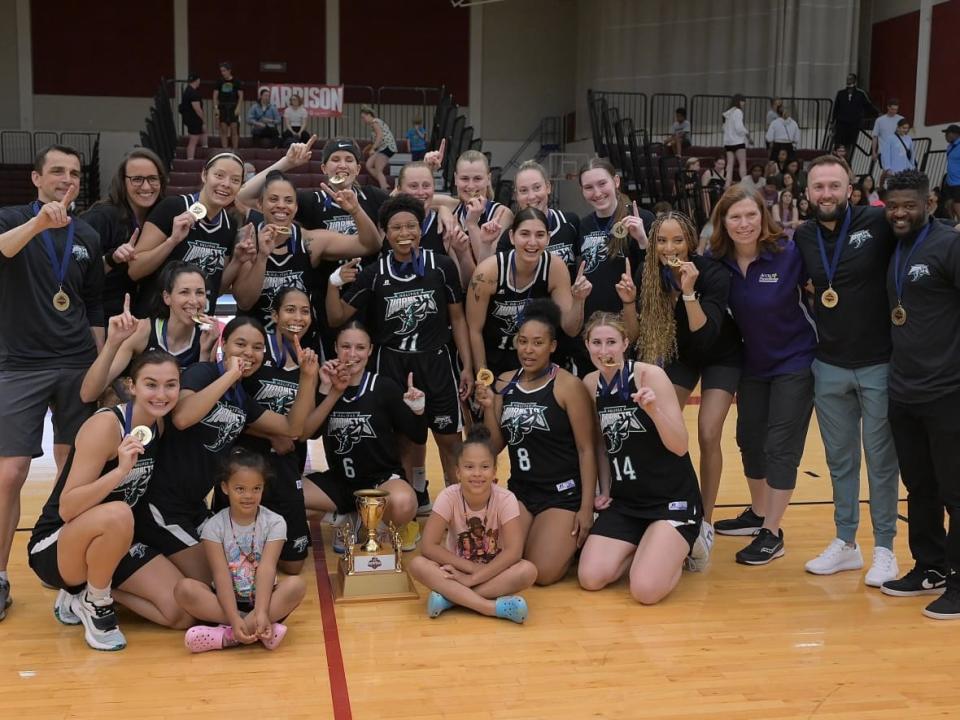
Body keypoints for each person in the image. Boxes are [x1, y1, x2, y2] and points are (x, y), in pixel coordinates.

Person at [28, 350, 191, 650]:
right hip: (57, 543)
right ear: (132, 386)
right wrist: (119, 471)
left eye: (171, 385)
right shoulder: (105, 426)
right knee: (117, 513)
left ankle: (81, 592)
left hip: (116, 539)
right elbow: (68, 507)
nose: (161, 394)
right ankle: (96, 602)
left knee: (179, 613)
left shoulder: (158, 424)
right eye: (151, 384)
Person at [133, 317, 318, 581]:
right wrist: (230, 373)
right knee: (216, 578)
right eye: (240, 344)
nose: (248, 353)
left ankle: (161, 556)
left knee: (240, 571)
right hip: (162, 504)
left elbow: (291, 427)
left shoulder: (241, 397)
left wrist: (308, 378)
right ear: (224, 344)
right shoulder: (203, 373)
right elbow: (182, 418)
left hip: (195, 506)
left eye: (256, 347)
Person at [0, 144, 103, 618]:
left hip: (77, 362)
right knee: (10, 473)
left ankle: (62, 566)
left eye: (75, 174)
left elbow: (93, 303)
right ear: (37, 179)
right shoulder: (13, 218)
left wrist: (100, 364)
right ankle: (0, 577)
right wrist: (42, 222)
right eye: (57, 171)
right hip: (19, 364)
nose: (67, 179)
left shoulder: (86, 233)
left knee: (72, 473)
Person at [326, 194, 473, 521]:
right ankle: (407, 512)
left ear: (421, 229)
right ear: (385, 233)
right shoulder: (374, 273)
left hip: (436, 362)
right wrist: (333, 284)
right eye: (396, 227)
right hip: (393, 365)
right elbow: (337, 318)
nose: (404, 232)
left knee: (450, 442)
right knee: (404, 443)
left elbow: (459, 319)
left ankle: (459, 512)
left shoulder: (442, 266)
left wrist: (468, 366)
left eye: (411, 225)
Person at [794, 155, 900, 585]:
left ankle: (886, 550)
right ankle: (846, 544)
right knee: (840, 462)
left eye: (834, 186)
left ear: (850, 189)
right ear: (807, 193)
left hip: (879, 364)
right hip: (829, 365)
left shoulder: (878, 224)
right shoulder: (802, 237)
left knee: (880, 462)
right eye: (818, 187)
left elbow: (926, 237)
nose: (826, 194)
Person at [710, 185, 816, 565]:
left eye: (750, 215)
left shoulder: (788, 253)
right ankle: (758, 512)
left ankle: (772, 532)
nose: (743, 223)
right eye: (735, 216)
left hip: (795, 361)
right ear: (723, 222)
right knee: (749, 439)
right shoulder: (717, 259)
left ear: (763, 216)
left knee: (780, 446)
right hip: (752, 364)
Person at [634, 211, 741, 567]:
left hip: (720, 355)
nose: (669, 247)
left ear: (691, 242)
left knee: (709, 433)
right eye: (662, 240)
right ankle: (669, 507)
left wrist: (689, 292)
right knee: (661, 426)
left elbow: (705, 333)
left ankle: (705, 521)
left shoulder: (711, 272)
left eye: (677, 240)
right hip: (682, 357)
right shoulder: (649, 273)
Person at [878, 170, 960, 618]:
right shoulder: (896, 245)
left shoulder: (950, 244)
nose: (900, 213)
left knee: (956, 490)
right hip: (904, 389)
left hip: (948, 390)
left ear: (929, 201)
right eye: (892, 206)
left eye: (908, 205)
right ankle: (929, 566)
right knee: (920, 486)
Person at [577, 312, 703, 603]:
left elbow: (680, 446)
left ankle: (687, 545)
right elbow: (600, 444)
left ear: (625, 343)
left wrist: (653, 411)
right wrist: (604, 490)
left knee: (644, 591)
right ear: (587, 345)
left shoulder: (650, 376)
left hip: (670, 499)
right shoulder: (590, 383)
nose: (604, 351)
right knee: (591, 578)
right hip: (627, 502)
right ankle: (649, 546)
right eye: (596, 342)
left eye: (611, 342)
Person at [474, 299, 597, 586]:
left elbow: (586, 450)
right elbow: (494, 447)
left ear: (552, 346)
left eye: (538, 343)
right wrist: (491, 407)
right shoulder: (505, 381)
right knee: (497, 557)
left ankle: (578, 542)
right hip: (521, 491)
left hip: (562, 494)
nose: (528, 350)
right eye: (523, 341)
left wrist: (586, 508)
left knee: (541, 572)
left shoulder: (568, 386)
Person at [301, 320, 424, 546]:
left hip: (381, 482)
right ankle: (347, 519)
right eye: (345, 346)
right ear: (336, 348)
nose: (352, 354)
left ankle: (375, 523)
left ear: (370, 351)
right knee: (286, 495)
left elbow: (418, 436)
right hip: (340, 482)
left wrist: (417, 410)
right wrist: (326, 390)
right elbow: (312, 433)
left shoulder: (384, 387)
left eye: (359, 348)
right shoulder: (325, 384)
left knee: (404, 503)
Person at [174, 447, 305, 652]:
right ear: (225, 488)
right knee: (184, 589)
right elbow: (221, 574)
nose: (248, 496)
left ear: (263, 488)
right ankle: (258, 629)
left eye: (256, 488)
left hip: (265, 599)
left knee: (296, 585)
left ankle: (227, 636)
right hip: (224, 604)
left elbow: (267, 569)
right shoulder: (214, 526)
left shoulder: (275, 522)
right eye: (240, 489)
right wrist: (235, 618)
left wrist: (261, 611)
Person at [408, 425, 537, 623]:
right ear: (458, 472)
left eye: (484, 467)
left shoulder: (506, 499)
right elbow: (428, 545)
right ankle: (489, 607)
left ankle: (451, 598)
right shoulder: (448, 496)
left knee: (528, 571)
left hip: (493, 572)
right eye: (469, 467)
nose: (477, 473)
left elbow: (514, 551)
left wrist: (474, 578)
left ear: (494, 471)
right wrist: (469, 568)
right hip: (457, 569)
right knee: (417, 564)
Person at [231, 170, 381, 334]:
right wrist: (262, 257)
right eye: (273, 199)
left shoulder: (310, 242)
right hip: (255, 341)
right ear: (260, 205)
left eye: (288, 201)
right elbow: (244, 302)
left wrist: (356, 211)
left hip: (300, 339)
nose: (281, 205)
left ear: (295, 208)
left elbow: (370, 245)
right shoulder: (247, 240)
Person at [466, 208, 591, 377]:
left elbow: (571, 329)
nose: (532, 242)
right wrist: (482, 376)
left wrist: (578, 300)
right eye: (524, 234)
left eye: (539, 235)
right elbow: (474, 330)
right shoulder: (488, 272)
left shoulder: (555, 267)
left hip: (542, 361)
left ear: (548, 238)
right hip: (497, 359)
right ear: (511, 237)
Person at [129, 152, 253, 316]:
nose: (226, 184)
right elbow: (135, 270)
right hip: (157, 321)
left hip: (198, 326)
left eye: (235, 180)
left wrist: (237, 261)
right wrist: (172, 241)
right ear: (204, 175)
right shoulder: (172, 207)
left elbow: (216, 288)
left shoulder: (229, 225)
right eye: (219, 175)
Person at [80, 263, 219, 403]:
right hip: (142, 419)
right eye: (184, 292)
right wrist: (112, 343)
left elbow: (198, 406)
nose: (194, 301)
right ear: (167, 297)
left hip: (179, 418)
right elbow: (88, 394)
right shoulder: (144, 330)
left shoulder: (208, 336)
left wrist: (205, 354)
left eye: (200, 292)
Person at [573, 157, 650, 372]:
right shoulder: (584, 224)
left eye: (602, 183)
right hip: (594, 327)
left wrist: (643, 241)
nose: (597, 192)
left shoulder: (641, 217)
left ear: (616, 181)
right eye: (589, 187)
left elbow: (657, 271)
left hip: (629, 324)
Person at [83, 148, 167, 319]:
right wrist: (112, 259)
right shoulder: (101, 217)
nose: (146, 186)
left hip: (143, 319)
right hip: (102, 318)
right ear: (123, 181)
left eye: (153, 179)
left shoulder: (162, 219)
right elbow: (78, 272)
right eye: (137, 179)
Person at [395, 160, 473, 288]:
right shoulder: (386, 224)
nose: (421, 192)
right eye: (413, 186)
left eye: (426, 186)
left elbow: (465, 283)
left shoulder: (447, 225)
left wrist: (463, 253)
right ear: (399, 190)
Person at [832, 74, 877, 158]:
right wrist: (833, 122)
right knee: (838, 144)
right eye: (848, 79)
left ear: (855, 81)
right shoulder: (840, 93)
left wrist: (877, 114)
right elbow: (836, 109)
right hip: (841, 124)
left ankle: (847, 162)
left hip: (853, 124)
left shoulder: (860, 94)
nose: (849, 80)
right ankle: (838, 161)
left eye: (851, 79)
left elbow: (868, 106)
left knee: (849, 145)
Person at [360, 105, 398, 190]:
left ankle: (384, 187)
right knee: (369, 165)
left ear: (369, 115)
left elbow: (380, 136)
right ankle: (384, 182)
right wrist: (370, 147)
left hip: (387, 147)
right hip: (382, 148)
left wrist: (373, 149)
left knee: (378, 168)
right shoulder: (374, 124)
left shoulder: (374, 122)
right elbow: (376, 139)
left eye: (364, 117)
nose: (363, 120)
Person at [722, 94, 752, 188]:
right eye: (743, 101)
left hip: (728, 142)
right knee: (742, 163)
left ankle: (727, 184)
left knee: (730, 164)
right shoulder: (738, 112)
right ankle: (744, 184)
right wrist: (747, 135)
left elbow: (723, 128)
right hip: (738, 142)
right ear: (739, 101)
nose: (744, 104)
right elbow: (739, 128)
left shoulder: (727, 113)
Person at [213, 62, 243, 151]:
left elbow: (241, 96)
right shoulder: (219, 82)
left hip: (233, 106)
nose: (223, 73)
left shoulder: (236, 82)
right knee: (223, 130)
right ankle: (225, 149)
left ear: (229, 71)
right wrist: (216, 108)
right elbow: (215, 96)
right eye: (221, 71)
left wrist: (238, 107)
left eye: (224, 71)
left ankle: (235, 149)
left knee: (234, 129)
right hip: (222, 106)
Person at [179, 73, 206, 161]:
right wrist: (203, 119)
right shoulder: (193, 93)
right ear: (197, 80)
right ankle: (190, 158)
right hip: (194, 119)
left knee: (202, 132)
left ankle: (204, 147)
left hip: (188, 118)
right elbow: (197, 109)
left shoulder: (187, 91)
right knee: (193, 140)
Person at [871, 99, 904, 167]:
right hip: (883, 151)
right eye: (892, 109)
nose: (894, 111)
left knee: (893, 172)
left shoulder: (901, 119)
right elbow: (875, 137)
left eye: (896, 109)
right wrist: (874, 152)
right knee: (887, 171)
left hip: (897, 151)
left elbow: (904, 136)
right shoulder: (879, 120)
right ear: (888, 107)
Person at [942, 124, 960, 222]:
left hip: (958, 182)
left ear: (955, 134)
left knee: (957, 206)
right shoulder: (950, 147)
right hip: (949, 181)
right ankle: (953, 226)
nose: (945, 136)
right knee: (948, 205)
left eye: (947, 134)